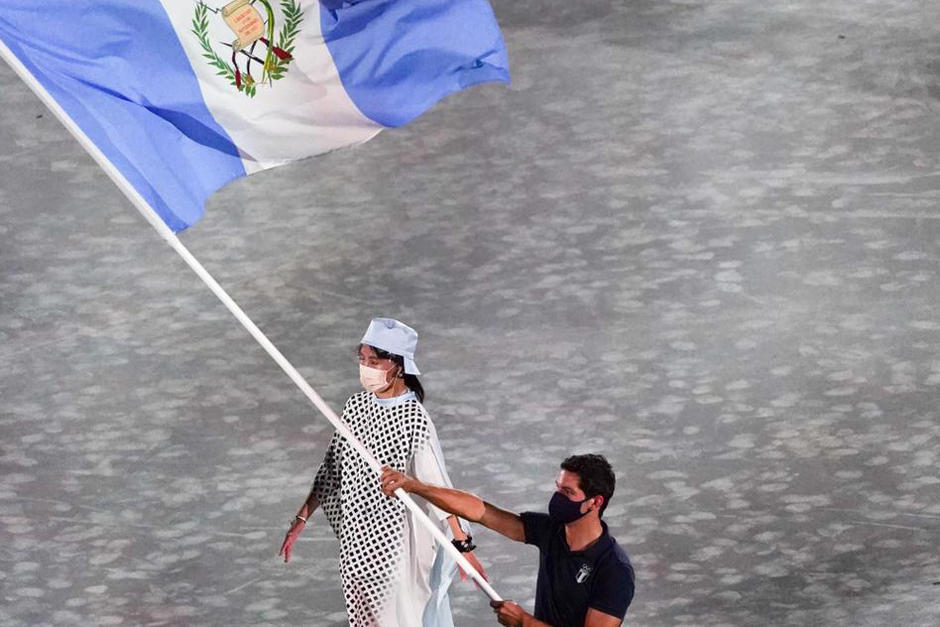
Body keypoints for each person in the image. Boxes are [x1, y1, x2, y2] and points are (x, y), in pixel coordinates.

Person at [279, 317, 486, 626]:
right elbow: (331, 469)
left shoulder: (413, 418)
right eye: (362, 360)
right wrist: (301, 518)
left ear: (398, 365)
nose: (366, 368)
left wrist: (461, 546)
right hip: (356, 544)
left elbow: (435, 486)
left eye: (374, 361)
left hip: (394, 548)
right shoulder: (356, 407)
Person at [380, 454, 635, 627]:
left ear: (596, 502)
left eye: (567, 493)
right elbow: (481, 512)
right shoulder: (552, 531)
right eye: (557, 488)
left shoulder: (615, 570)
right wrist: (417, 487)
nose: (557, 498)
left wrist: (524, 622)